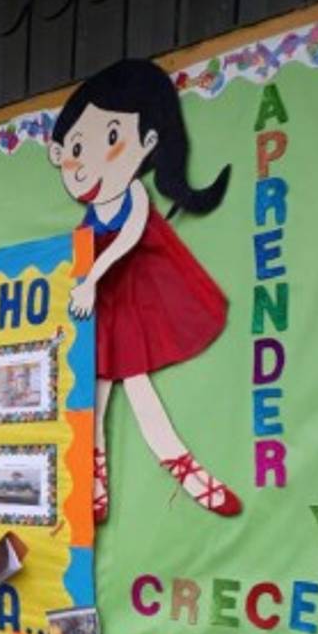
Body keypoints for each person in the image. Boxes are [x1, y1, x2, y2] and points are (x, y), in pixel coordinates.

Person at [48, 58, 241, 523]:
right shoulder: (90, 214)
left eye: (111, 138)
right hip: (101, 310)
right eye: (77, 144)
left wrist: (92, 280)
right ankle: (94, 484)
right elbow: (76, 259)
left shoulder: (132, 196)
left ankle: (185, 468)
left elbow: (131, 238)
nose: (87, 158)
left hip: (131, 299)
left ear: (148, 142)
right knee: (94, 397)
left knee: (135, 387)